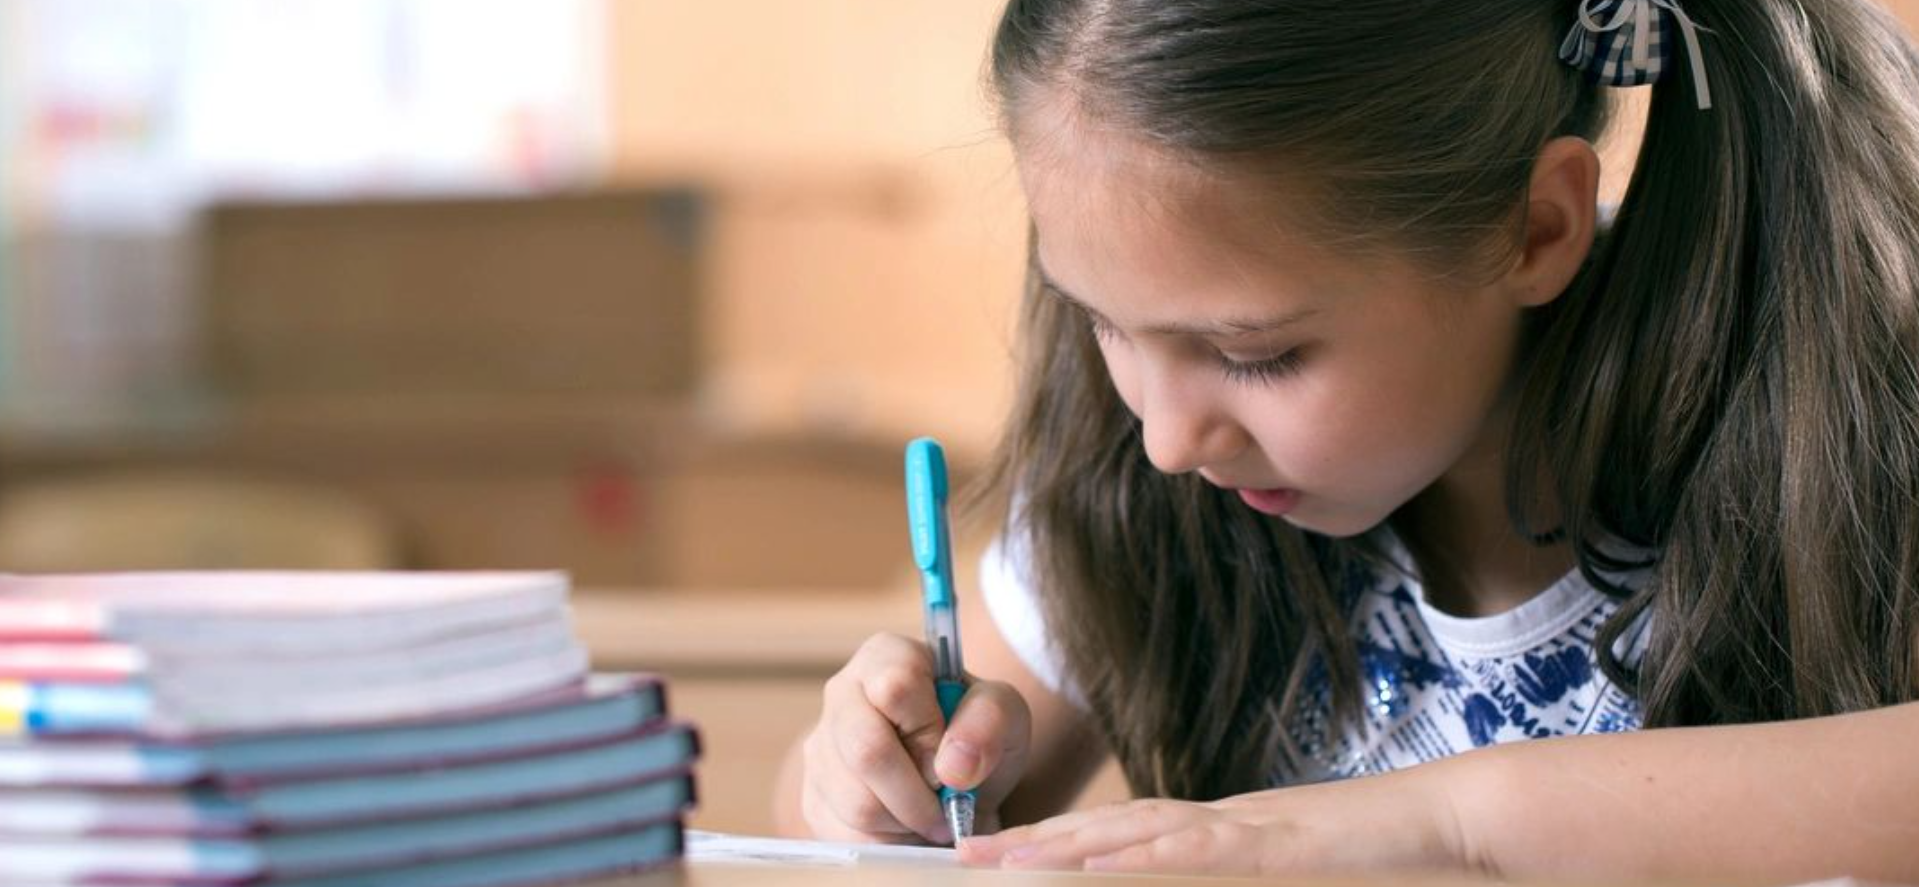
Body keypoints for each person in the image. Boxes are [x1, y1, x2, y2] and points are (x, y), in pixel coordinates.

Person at [774, 0, 1919, 880]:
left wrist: (1446, 828)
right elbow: (826, 810)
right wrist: (872, 783)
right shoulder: (1151, 481)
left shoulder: (1842, 417)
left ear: (1537, 227)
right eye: (1101, 320)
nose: (1167, 438)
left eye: (1256, 353)